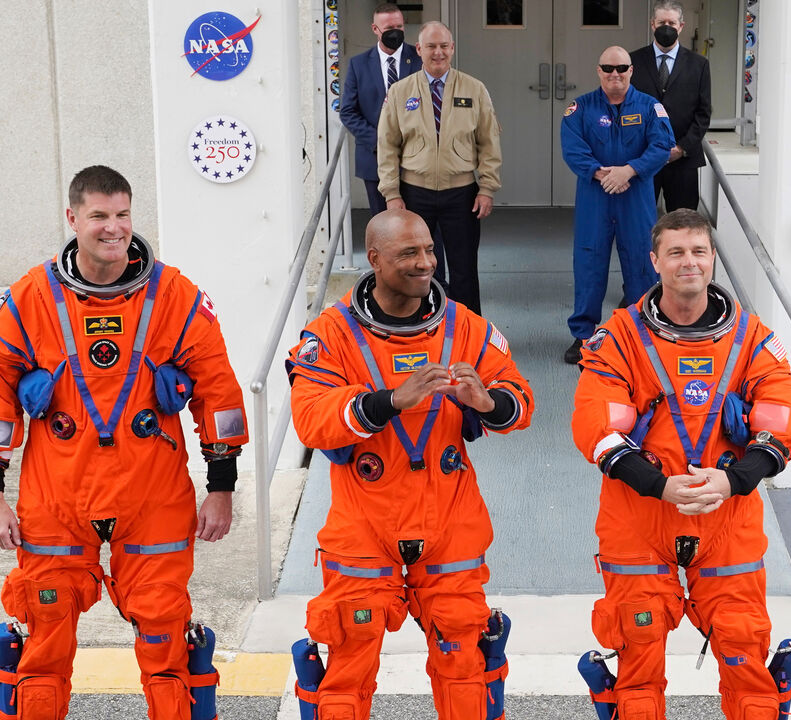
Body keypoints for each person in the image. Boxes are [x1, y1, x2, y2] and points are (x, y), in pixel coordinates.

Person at [0, 165, 248, 719]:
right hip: (57, 499)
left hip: (152, 497)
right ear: (73, 218)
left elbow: (218, 394)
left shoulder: (176, 296)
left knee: (165, 632)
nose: (112, 228)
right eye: (99, 216)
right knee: (44, 637)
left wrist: (222, 487)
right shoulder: (29, 300)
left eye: (122, 214)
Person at [285, 209, 534, 719]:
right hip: (364, 521)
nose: (426, 264)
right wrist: (389, 401)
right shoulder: (329, 335)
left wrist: (487, 403)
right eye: (409, 254)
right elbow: (311, 420)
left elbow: (521, 401)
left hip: (450, 519)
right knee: (348, 658)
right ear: (374, 259)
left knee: (465, 655)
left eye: (428, 251)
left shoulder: (465, 326)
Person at [572, 209, 791, 719]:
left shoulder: (752, 340)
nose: (688, 263)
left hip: (727, 511)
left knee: (743, 643)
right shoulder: (619, 340)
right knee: (639, 642)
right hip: (640, 513)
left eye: (698, 251)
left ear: (713, 259)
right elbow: (597, 428)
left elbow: (782, 420)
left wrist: (733, 480)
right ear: (654, 261)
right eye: (675, 252)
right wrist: (658, 486)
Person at [377, 21, 502, 315]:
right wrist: (392, 194)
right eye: (431, 46)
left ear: (452, 48)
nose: (438, 53)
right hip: (413, 193)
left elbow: (489, 143)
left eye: (444, 46)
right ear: (419, 50)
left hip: (461, 194)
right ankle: (419, 327)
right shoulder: (399, 91)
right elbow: (387, 146)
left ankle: (469, 333)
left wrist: (486, 188)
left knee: (464, 268)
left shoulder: (474, 89)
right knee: (414, 267)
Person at [561, 46, 674, 365]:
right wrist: (601, 173)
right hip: (595, 197)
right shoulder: (579, 108)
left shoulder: (651, 107)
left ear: (631, 71)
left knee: (641, 261)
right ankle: (583, 335)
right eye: (608, 68)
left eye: (621, 68)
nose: (615, 74)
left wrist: (629, 170)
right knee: (588, 262)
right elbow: (572, 148)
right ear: (598, 71)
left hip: (635, 196)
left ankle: (643, 334)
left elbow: (662, 145)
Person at [340, 3, 421, 216]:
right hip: (374, 160)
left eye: (400, 27)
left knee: (423, 228)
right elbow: (348, 111)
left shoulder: (421, 59)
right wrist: (381, 141)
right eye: (389, 28)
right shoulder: (359, 64)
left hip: (419, 160)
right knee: (385, 226)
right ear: (375, 29)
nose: (396, 32)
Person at [630, 0, 712, 212]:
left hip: (683, 160)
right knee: (639, 222)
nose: (666, 27)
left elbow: (703, 113)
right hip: (642, 158)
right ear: (652, 24)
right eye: (661, 22)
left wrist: (681, 148)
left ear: (681, 26)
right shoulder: (633, 62)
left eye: (672, 23)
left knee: (682, 224)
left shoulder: (699, 64)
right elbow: (625, 107)